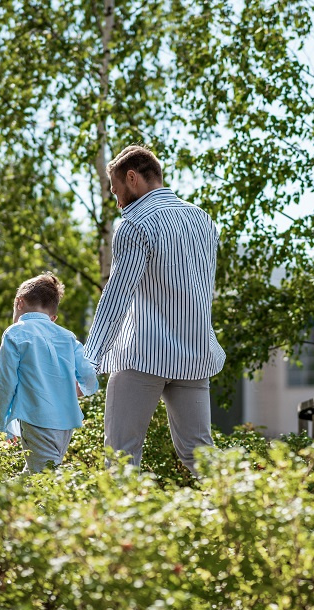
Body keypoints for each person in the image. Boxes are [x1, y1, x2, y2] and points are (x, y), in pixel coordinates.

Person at [85, 145, 225, 475]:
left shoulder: (135, 224)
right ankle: (243, 505)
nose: (117, 202)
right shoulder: (203, 219)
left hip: (143, 355)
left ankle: (124, 514)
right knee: (200, 454)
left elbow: (116, 296)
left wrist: (90, 359)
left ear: (132, 178)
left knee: (121, 456)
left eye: (116, 191)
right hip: (194, 355)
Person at [0, 272, 99, 473]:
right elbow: (88, 377)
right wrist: (82, 390)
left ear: (19, 302)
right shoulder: (68, 337)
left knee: (45, 477)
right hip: (66, 421)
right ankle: (6, 493)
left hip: (35, 418)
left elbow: (5, 384)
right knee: (39, 472)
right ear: (53, 317)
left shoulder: (15, 333)